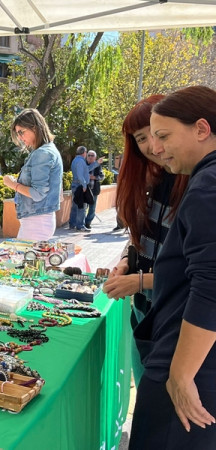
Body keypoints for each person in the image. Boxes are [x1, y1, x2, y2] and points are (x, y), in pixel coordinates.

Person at [129, 86, 216, 449]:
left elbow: (211, 284)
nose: (157, 148)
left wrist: (180, 374)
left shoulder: (207, 185)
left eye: (163, 136)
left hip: (189, 360)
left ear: (201, 128)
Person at [102, 95, 188, 386]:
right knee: (147, 391)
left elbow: (198, 271)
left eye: (159, 134)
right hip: (144, 310)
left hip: (178, 317)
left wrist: (139, 281)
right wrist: (128, 262)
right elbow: (144, 239)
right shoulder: (153, 182)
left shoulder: (197, 186)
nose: (153, 146)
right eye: (142, 138)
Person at [2, 108, 63, 241]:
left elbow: (38, 193)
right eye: (18, 134)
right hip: (37, 220)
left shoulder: (43, 153)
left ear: (34, 128)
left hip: (36, 222)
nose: (19, 137)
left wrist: (12, 184)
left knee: (24, 260)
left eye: (21, 132)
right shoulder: (46, 151)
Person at [68, 146, 93, 232]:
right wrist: (84, 185)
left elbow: (86, 170)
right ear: (84, 152)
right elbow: (80, 175)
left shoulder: (76, 160)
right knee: (82, 206)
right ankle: (80, 226)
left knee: (75, 205)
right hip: (79, 185)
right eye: (86, 152)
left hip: (76, 185)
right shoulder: (80, 161)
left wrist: (96, 163)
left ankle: (72, 224)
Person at [83, 150, 104, 229]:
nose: (90, 157)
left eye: (92, 156)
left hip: (94, 190)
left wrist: (94, 177)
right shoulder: (83, 164)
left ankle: (88, 223)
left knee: (92, 208)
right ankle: (82, 223)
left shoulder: (98, 166)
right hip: (84, 190)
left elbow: (102, 176)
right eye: (89, 155)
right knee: (83, 207)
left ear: (95, 157)